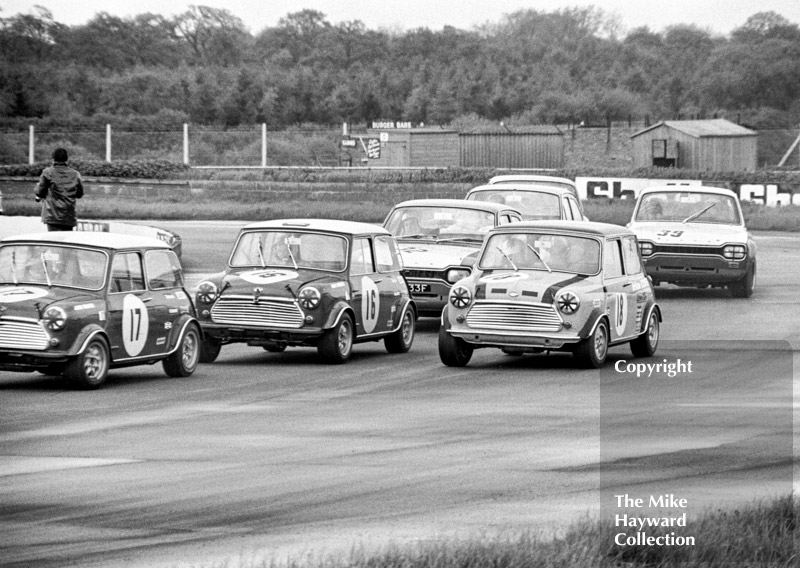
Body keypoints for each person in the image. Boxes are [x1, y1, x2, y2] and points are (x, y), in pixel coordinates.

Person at [34, 148, 84, 232]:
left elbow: (40, 191)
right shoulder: (75, 174)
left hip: (52, 215)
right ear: (66, 159)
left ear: (53, 159)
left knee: (53, 241)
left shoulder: (47, 172)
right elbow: (80, 194)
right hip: (69, 215)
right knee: (66, 242)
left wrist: (38, 192)